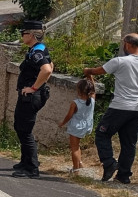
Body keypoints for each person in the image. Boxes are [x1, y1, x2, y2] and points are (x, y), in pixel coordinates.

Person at [82, 33, 138, 184]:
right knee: (129, 143)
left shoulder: (120, 61)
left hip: (120, 106)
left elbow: (99, 70)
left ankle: (109, 163)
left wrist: (88, 71)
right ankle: (124, 176)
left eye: (124, 43)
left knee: (102, 134)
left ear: (129, 45)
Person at [12, 20, 54, 179]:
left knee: (25, 130)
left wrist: (34, 87)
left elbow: (47, 69)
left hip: (31, 96)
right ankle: (25, 161)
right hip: (30, 95)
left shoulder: (37, 51)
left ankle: (32, 168)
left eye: (23, 33)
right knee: (20, 126)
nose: (22, 36)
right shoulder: (39, 49)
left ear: (31, 34)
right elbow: (51, 64)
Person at [58, 78, 96, 174]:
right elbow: (94, 89)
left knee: (74, 148)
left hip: (76, 126)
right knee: (77, 146)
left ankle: (75, 169)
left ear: (79, 91)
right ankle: (80, 163)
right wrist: (90, 76)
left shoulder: (75, 103)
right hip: (87, 126)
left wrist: (62, 123)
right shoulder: (92, 99)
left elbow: (69, 115)